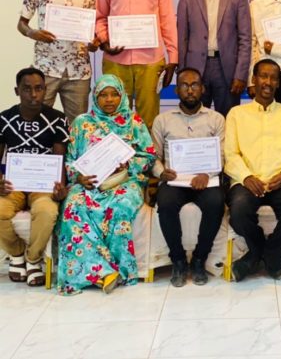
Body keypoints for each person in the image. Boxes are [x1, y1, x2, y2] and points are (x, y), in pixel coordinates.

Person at [57, 74, 156, 295]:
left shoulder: (133, 121)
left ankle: (108, 270)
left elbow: (148, 156)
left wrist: (127, 166)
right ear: (95, 97)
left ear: (122, 96)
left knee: (120, 206)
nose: (109, 100)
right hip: (88, 183)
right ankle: (105, 272)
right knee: (73, 206)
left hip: (125, 182)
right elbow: (70, 160)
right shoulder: (82, 122)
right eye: (103, 95)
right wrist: (79, 177)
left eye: (114, 94)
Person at [224, 59, 281, 281]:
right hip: (247, 182)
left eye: (273, 78)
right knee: (239, 212)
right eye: (263, 76)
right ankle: (268, 256)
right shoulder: (236, 114)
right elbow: (230, 155)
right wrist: (246, 176)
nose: (267, 82)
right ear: (254, 79)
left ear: (278, 83)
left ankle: (259, 256)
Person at [95, 0, 178, 130]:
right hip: (116, 60)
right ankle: (117, 164)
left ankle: (146, 163)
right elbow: (100, 16)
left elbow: (167, 17)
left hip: (151, 60)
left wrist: (173, 58)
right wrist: (105, 42)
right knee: (113, 119)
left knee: (148, 122)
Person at [151, 67, 226, 287]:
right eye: (184, 85)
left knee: (216, 202)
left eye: (195, 85)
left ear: (202, 89)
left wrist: (207, 173)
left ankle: (200, 259)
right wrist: (160, 172)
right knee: (165, 204)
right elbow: (153, 156)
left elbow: (222, 154)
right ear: (177, 91)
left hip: (206, 179)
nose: (190, 90)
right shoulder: (162, 120)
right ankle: (179, 260)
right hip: (175, 179)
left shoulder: (216, 119)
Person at [17, 0, 99, 125]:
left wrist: (94, 43)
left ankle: (71, 158)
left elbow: (92, 27)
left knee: (77, 126)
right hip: (46, 68)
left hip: (78, 70)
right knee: (38, 123)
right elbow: (22, 23)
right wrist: (32, 33)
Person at [0, 68, 69, 286]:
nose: (34, 94)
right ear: (17, 91)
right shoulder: (5, 119)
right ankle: (17, 255)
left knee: (47, 211)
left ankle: (33, 259)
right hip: (14, 185)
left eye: (38, 88)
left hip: (44, 184)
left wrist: (60, 188)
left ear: (45, 90)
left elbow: (60, 159)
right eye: (27, 89)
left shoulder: (57, 119)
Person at [177, 0, 251, 117]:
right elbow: (182, 38)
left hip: (226, 70)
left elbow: (245, 38)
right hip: (195, 69)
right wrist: (182, 74)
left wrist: (240, 74)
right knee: (195, 120)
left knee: (228, 121)